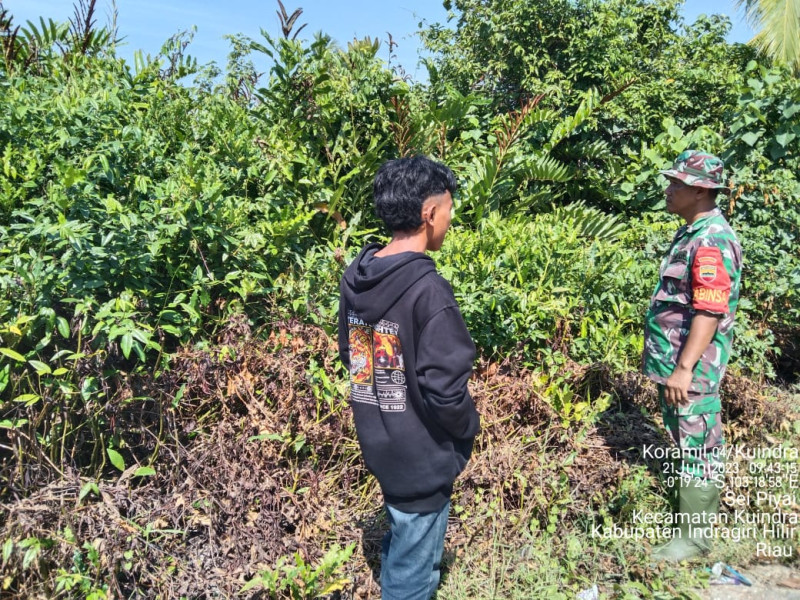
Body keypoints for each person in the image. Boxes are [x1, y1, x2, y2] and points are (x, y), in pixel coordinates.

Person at [338, 156, 480, 599]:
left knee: (403, 537)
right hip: (421, 456)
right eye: (449, 208)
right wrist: (467, 429)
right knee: (412, 575)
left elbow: (353, 357)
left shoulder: (357, 278)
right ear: (429, 213)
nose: (451, 219)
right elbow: (445, 388)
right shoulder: (429, 290)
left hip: (380, 441)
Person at [643, 150, 743, 561]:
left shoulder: (712, 239)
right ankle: (684, 526)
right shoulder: (692, 232)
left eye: (677, 184)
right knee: (687, 443)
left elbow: (709, 309)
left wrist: (684, 369)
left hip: (694, 371)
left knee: (699, 447)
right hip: (679, 369)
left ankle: (694, 540)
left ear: (701, 191)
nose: (669, 190)